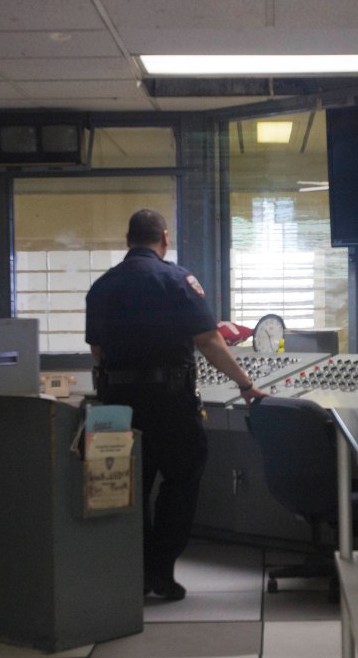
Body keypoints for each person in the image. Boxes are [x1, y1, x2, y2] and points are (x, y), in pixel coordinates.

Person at [86, 209, 267, 600]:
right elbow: (210, 342)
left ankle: (137, 569)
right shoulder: (178, 280)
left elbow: (98, 351)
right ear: (163, 239)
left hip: (118, 403)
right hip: (170, 401)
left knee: (130, 487)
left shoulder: (101, 287)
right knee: (182, 477)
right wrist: (246, 385)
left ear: (127, 238)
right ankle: (161, 569)